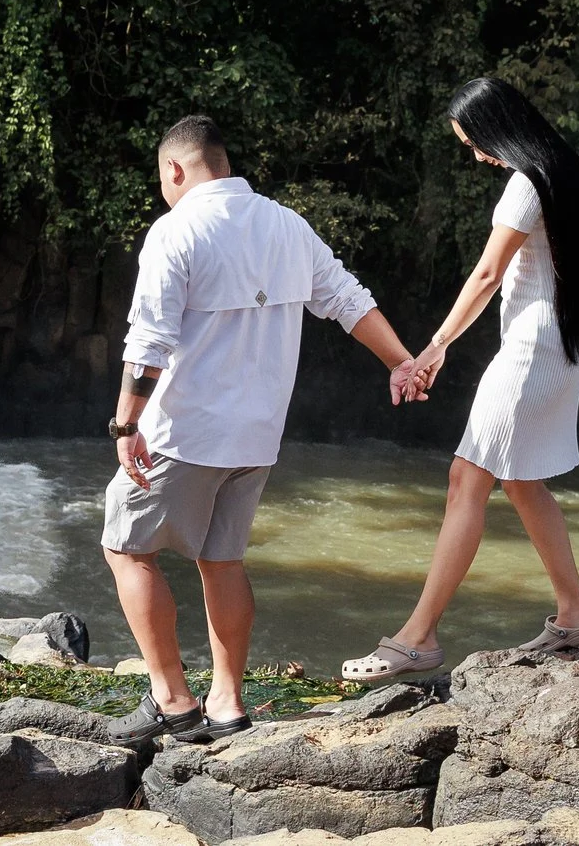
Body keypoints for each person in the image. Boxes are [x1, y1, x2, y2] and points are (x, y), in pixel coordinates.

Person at [103, 114, 418, 746]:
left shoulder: (176, 231)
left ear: (174, 168)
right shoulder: (287, 225)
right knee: (222, 561)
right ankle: (227, 703)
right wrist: (402, 362)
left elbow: (150, 343)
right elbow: (348, 300)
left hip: (185, 432)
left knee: (127, 546)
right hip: (258, 434)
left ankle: (172, 701)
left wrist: (126, 421)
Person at [342, 76, 579, 683]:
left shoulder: (527, 183)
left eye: (475, 142)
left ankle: (419, 637)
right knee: (520, 481)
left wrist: (435, 346)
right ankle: (576, 613)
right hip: (563, 345)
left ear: (498, 128)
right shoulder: (565, 168)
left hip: (534, 347)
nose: (477, 155)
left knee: (467, 477)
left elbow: (489, 273)